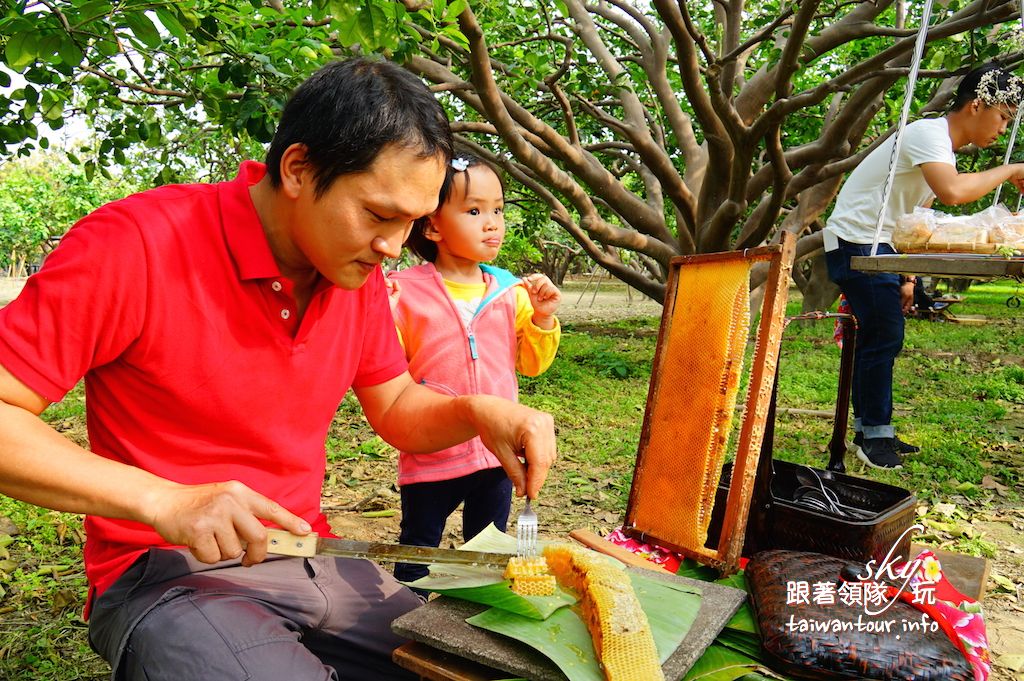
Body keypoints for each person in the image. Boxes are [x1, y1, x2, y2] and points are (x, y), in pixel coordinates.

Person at [0, 58, 557, 681]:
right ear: (297, 169)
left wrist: (480, 412)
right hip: (169, 573)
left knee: (487, 666)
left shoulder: (358, 272)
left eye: (410, 222)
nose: (394, 247)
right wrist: (164, 500)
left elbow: (397, 405)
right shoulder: (139, 243)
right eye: (377, 215)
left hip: (311, 555)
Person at [824, 63, 1024, 470]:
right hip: (855, 241)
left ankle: (873, 429)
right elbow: (951, 193)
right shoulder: (928, 133)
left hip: (880, 244)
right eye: (1002, 117)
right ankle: (872, 435)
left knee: (880, 335)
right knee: (883, 334)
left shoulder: (940, 147)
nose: (1002, 129)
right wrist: (1013, 169)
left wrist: (909, 275)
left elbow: (920, 216)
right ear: (977, 105)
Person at [386, 153, 562, 586]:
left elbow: (532, 364)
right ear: (432, 226)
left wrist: (541, 319)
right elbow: (389, 371)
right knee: (417, 547)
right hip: (432, 453)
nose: (492, 223)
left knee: (488, 551)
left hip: (496, 451)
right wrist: (381, 310)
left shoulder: (510, 290)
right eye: (474, 210)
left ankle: (474, 620)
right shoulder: (405, 292)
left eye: (498, 210)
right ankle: (405, 611)